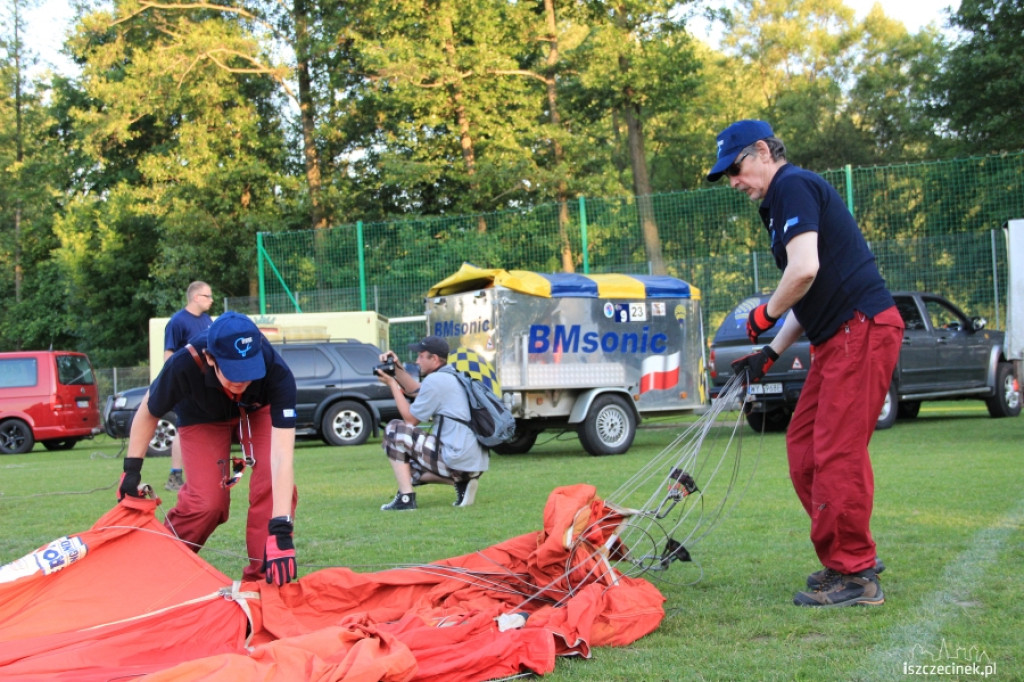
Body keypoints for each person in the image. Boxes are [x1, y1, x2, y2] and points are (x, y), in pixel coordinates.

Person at [707, 120, 903, 607]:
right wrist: (769, 353)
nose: (733, 181)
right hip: (837, 337)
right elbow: (807, 291)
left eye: (735, 168)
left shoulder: (792, 184)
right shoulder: (778, 203)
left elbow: (804, 270)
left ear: (762, 151)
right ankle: (844, 554)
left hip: (861, 327)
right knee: (804, 448)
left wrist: (763, 315)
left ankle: (857, 575)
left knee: (836, 451)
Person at [117, 312, 300, 585]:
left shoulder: (276, 370)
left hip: (257, 410)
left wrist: (282, 530)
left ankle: (263, 582)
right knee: (207, 504)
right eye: (233, 373)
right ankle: (156, 569)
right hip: (200, 415)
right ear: (210, 358)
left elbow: (283, 457)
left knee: (270, 484)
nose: (241, 381)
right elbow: (148, 411)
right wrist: (131, 471)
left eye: (248, 372)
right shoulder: (184, 363)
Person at [374, 336, 488, 510]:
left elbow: (410, 420)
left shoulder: (436, 380)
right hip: (471, 461)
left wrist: (392, 384)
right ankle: (463, 481)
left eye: (421, 356)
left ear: (434, 359)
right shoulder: (451, 375)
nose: (417, 361)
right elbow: (415, 390)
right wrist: (396, 369)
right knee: (405, 468)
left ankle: (406, 498)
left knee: (394, 429)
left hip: (456, 457)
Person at [162, 281, 215, 492]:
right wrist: (177, 382)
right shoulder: (177, 322)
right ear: (196, 297)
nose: (211, 300)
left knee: (208, 427)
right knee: (184, 427)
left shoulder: (207, 320)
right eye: (208, 296)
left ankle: (205, 474)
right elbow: (169, 355)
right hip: (186, 386)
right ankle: (175, 475)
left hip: (206, 384)